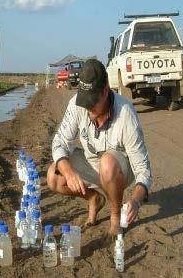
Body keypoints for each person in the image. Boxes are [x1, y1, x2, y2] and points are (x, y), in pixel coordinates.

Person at [47, 59, 152, 235]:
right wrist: (69, 172)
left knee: (108, 162)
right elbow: (60, 142)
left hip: (118, 170)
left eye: (92, 102)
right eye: (85, 101)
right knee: (54, 176)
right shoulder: (77, 105)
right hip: (91, 163)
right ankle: (94, 198)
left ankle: (115, 217)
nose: (88, 108)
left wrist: (136, 201)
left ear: (105, 91)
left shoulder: (126, 114)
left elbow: (143, 170)